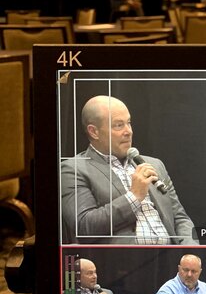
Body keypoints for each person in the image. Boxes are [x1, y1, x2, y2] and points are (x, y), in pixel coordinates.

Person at [60, 95, 197, 245]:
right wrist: (134, 196)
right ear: (94, 132)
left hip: (171, 261)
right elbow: (84, 227)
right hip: (122, 264)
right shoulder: (73, 169)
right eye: (119, 125)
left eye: (129, 123)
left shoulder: (155, 164)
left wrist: (190, 250)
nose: (129, 131)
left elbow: (180, 218)